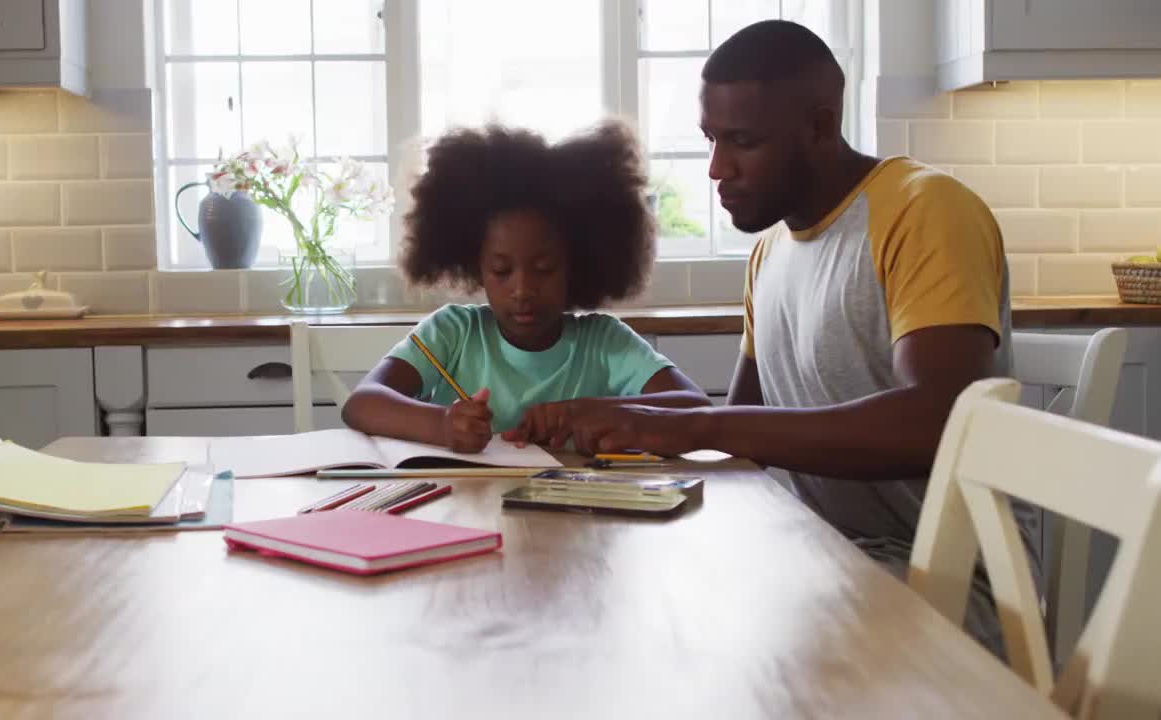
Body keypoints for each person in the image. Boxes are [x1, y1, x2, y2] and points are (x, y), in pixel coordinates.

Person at [565, 21, 1024, 648]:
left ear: (819, 124)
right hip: (828, 555)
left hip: (946, 585)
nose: (717, 168)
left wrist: (692, 426)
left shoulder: (925, 209)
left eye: (742, 142)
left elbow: (938, 423)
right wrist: (610, 418)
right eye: (711, 139)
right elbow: (745, 421)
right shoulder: (771, 251)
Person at [341, 120, 706, 452]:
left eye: (544, 269)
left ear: (576, 265)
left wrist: (583, 411)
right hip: (465, 512)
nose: (522, 290)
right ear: (474, 267)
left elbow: (694, 407)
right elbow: (362, 403)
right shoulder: (453, 332)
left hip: (576, 516)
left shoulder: (605, 343)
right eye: (501, 271)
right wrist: (441, 424)